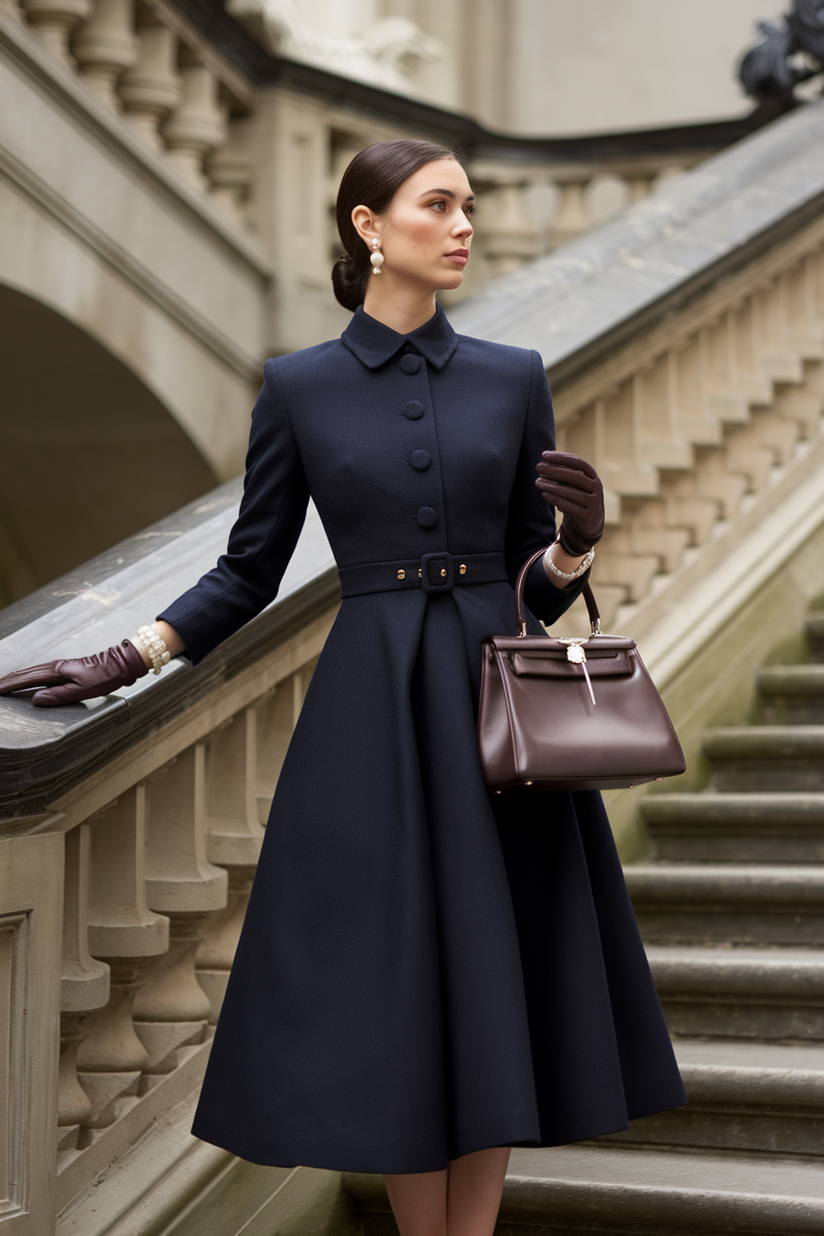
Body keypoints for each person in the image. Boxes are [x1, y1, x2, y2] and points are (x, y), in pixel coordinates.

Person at [0, 140, 686, 1236]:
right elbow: (248, 568)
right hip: (370, 718)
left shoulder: (511, 376)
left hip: (488, 716)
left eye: (469, 205)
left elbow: (529, 591)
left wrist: (568, 552)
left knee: (490, 974)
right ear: (368, 226)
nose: (464, 224)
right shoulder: (298, 388)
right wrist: (126, 656)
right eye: (438, 204)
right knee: (395, 988)